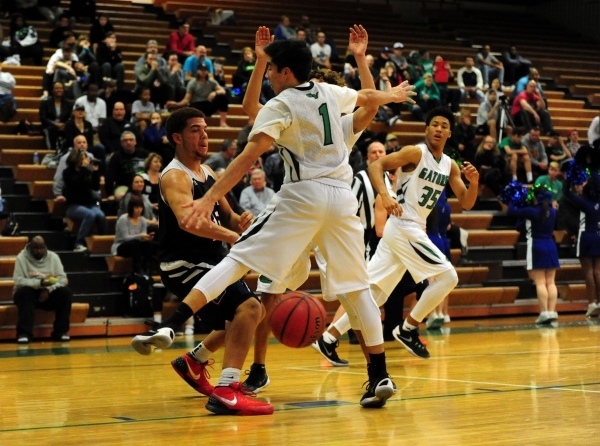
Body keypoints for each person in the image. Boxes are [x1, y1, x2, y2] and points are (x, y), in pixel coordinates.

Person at [132, 26, 416, 411]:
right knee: (350, 290)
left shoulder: (286, 107)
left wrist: (212, 197)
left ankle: (174, 323)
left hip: (304, 199)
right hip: (340, 202)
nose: (268, 78)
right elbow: (367, 99)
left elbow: (252, 144)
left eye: (270, 71)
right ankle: (378, 373)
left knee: (242, 264)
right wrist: (382, 82)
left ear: (285, 72)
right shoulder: (332, 97)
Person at [367, 106, 479, 358]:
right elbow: (378, 166)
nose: (439, 129)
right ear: (426, 128)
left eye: (444, 126)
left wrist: (474, 184)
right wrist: (385, 195)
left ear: (450, 133)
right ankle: (408, 328)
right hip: (404, 224)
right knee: (449, 277)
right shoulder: (415, 152)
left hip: (413, 227)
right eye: (435, 124)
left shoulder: (450, 165)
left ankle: (329, 337)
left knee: (373, 291)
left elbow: (467, 202)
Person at [507, 184, 559, 324]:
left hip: (536, 246)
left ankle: (544, 312)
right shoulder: (553, 212)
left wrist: (516, 196)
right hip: (551, 246)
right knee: (551, 281)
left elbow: (511, 211)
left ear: (535, 197)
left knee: (540, 282)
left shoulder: (532, 211)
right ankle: (552, 311)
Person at [13, 236, 73, 344]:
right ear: (30, 247)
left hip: (47, 292)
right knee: (24, 293)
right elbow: (18, 280)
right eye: (36, 248)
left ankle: (60, 332)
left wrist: (47, 288)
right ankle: (24, 333)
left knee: (66, 293)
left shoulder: (53, 257)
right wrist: (39, 283)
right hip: (28, 293)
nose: (39, 251)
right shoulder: (21, 258)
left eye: (41, 248)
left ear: (45, 247)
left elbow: (62, 278)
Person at [563, 173, 600, 318]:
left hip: (585, 237)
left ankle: (592, 304)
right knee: (598, 271)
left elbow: (566, 193)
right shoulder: (598, 202)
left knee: (588, 272)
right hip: (598, 236)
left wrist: (568, 177)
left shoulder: (584, 203)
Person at [63, 147, 107, 251]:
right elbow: (75, 184)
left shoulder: (87, 171)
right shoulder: (67, 172)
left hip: (89, 204)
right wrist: (84, 170)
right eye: (83, 158)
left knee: (101, 215)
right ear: (76, 159)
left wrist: (95, 172)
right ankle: (78, 243)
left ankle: (102, 242)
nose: (86, 160)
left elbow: (95, 187)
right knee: (90, 215)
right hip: (73, 205)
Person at [166, 63, 229, 127]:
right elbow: (186, 100)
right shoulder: (192, 83)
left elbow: (223, 90)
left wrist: (215, 92)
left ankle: (223, 122)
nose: (203, 72)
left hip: (208, 104)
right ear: (198, 71)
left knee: (222, 97)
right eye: (201, 70)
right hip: (197, 105)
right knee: (192, 108)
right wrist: (177, 104)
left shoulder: (212, 82)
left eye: (205, 70)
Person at [112, 195, 155, 275]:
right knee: (135, 243)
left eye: (140, 207)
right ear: (131, 208)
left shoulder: (142, 220)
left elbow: (143, 236)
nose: (139, 210)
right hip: (121, 246)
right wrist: (140, 236)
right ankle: (137, 270)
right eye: (136, 208)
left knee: (148, 244)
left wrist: (147, 238)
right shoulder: (123, 219)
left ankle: (146, 268)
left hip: (136, 245)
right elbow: (125, 238)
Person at [104, 131, 148, 200]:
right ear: (121, 143)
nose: (128, 142)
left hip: (143, 185)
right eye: (125, 140)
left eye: (131, 140)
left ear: (135, 142)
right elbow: (109, 177)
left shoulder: (144, 154)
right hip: (124, 187)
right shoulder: (116, 157)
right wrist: (110, 194)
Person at [39, 82, 72, 150]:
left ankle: (67, 149)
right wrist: (54, 124)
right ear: (52, 90)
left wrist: (64, 124)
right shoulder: (45, 103)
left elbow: (70, 117)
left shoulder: (68, 103)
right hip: (49, 125)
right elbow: (43, 117)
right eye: (57, 88)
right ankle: (52, 150)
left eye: (61, 88)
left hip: (63, 125)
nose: (59, 90)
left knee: (70, 128)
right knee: (51, 130)